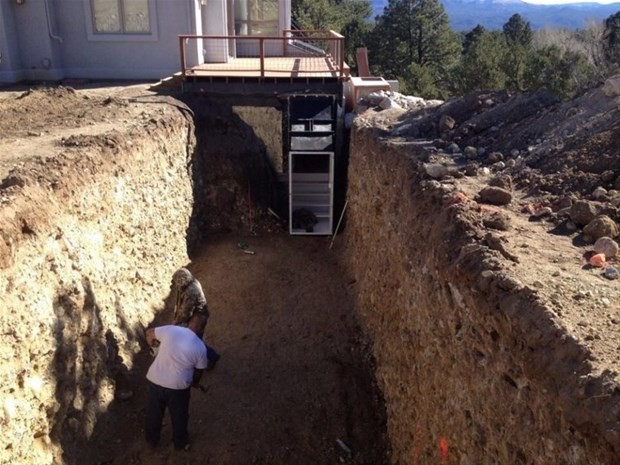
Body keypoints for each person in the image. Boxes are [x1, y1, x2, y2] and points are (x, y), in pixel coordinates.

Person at [145, 313, 209, 450]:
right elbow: (199, 371)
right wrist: (195, 382)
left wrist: (153, 348)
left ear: (189, 322)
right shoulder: (201, 348)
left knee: (154, 413)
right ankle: (180, 443)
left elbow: (149, 333)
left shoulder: (171, 329)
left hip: (155, 380)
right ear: (202, 329)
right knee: (179, 416)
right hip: (178, 387)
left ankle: (152, 441)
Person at [171, 267, 220, 370]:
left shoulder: (191, 291)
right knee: (194, 340)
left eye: (177, 282)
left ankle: (212, 357)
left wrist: (177, 321)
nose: (176, 285)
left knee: (194, 341)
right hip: (198, 314)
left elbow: (186, 313)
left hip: (199, 317)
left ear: (181, 281)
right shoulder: (191, 282)